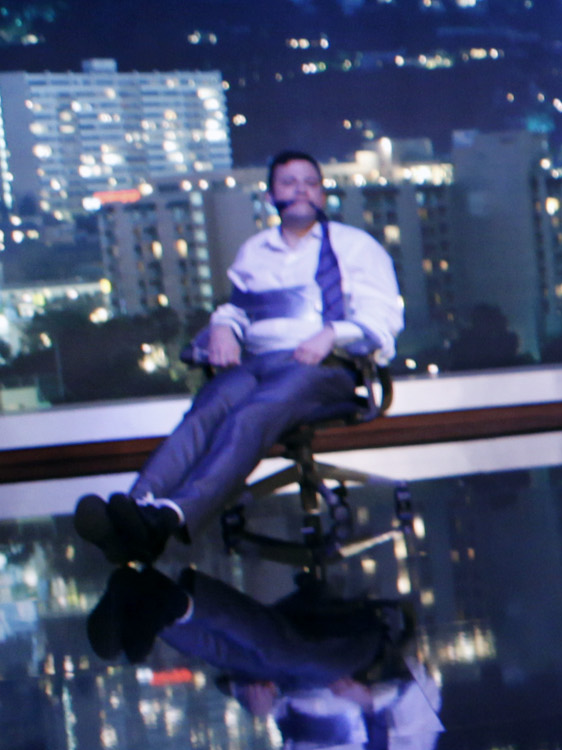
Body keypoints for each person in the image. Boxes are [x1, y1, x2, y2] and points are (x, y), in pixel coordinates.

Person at [73, 150, 401, 566]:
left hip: (327, 364)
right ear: (269, 197)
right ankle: (137, 511)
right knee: (206, 410)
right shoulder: (255, 250)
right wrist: (223, 326)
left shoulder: (355, 247)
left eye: (310, 182)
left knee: (250, 415)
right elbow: (239, 307)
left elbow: (384, 318)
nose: (302, 189)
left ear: (322, 193)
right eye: (289, 182)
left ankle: (174, 514)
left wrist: (332, 333)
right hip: (257, 363)